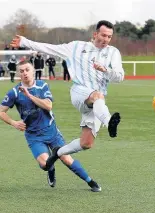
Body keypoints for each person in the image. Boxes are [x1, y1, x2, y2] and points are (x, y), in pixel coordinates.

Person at [10, 20, 124, 166]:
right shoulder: (76, 47)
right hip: (80, 92)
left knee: (86, 143)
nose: (106, 39)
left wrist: (105, 70)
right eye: (103, 35)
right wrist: (25, 41)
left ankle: (58, 153)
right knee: (97, 96)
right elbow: (49, 48)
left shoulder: (113, 52)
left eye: (109, 37)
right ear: (95, 34)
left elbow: (120, 77)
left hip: (97, 104)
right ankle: (109, 123)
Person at [0, 60, 101, 192]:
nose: (24, 73)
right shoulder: (14, 92)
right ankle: (51, 169)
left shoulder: (42, 86)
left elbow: (48, 106)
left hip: (52, 132)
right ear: (19, 74)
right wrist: (14, 122)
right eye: (21, 71)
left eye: (27, 70)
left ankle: (91, 182)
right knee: (45, 164)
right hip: (34, 136)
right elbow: (1, 111)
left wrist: (29, 95)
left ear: (33, 71)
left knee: (67, 159)